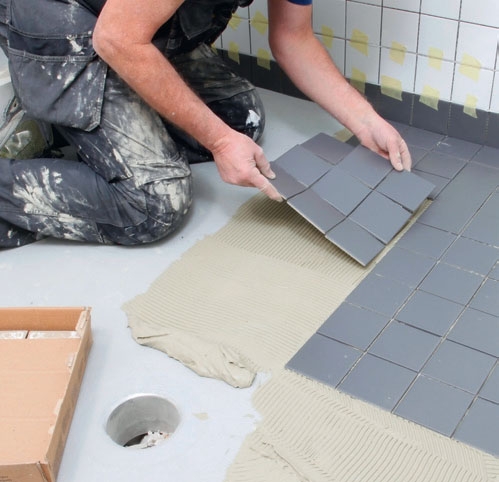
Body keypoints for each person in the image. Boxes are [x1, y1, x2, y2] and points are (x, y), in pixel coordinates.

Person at [0, 0, 411, 248]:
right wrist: (219, 142)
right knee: (154, 205)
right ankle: (53, 96)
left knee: (241, 121)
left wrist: (366, 121)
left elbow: (293, 37)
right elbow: (117, 39)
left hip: (130, 23)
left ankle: (71, 117)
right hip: (65, 22)